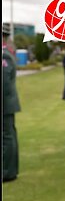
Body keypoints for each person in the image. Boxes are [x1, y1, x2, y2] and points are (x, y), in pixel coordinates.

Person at [2, 25, 21, 182]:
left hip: (5, 103)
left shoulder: (4, 56)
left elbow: (4, 84)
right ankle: (10, 170)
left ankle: (7, 171)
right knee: (8, 136)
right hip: (7, 102)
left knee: (7, 137)